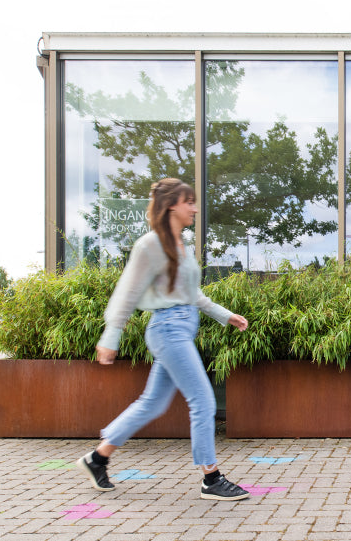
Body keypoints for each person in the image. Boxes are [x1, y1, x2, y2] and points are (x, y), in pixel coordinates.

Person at [76, 177, 251, 501]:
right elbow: (126, 292)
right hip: (168, 329)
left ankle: (97, 458)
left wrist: (224, 315)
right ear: (172, 204)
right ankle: (211, 479)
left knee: (152, 404)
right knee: (203, 400)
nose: (195, 208)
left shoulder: (181, 245)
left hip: (182, 327)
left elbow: (191, 294)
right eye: (190, 202)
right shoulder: (150, 245)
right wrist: (111, 335)